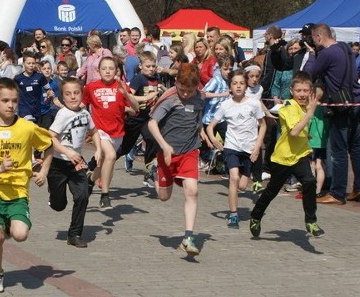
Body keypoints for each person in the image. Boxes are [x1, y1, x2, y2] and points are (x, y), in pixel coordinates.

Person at [0, 78, 52, 293]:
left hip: (18, 190)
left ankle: (8, 223)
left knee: (20, 235)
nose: (10, 105)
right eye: (5, 100)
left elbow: (49, 145)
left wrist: (43, 171)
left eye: (14, 100)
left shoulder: (27, 127)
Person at [249, 71, 324, 239]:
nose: (302, 94)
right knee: (272, 191)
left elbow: (319, 91)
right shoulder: (287, 107)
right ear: (291, 91)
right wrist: (310, 113)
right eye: (299, 91)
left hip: (300, 155)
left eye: (306, 90)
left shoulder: (307, 105)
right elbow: (294, 132)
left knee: (309, 181)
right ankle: (256, 215)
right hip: (283, 157)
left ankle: (311, 221)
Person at [147, 63, 206, 255]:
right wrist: (164, 146)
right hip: (167, 153)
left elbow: (198, 117)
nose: (186, 94)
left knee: (192, 190)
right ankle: (155, 171)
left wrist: (202, 132)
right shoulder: (170, 99)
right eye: (182, 89)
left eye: (190, 90)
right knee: (164, 197)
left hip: (190, 150)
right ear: (176, 83)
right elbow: (152, 123)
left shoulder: (200, 98)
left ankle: (188, 237)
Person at [305, 23, 360, 205]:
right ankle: (359, 187)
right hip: (356, 100)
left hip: (340, 105)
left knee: (338, 150)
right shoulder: (345, 48)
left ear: (318, 37)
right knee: (356, 146)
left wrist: (310, 55)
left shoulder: (326, 53)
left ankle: (337, 193)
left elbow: (310, 74)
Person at [205, 69, 266, 229]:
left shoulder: (254, 103)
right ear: (230, 87)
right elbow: (211, 126)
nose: (238, 86)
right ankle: (233, 215)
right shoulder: (225, 105)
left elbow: (263, 125)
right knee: (234, 178)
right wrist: (214, 140)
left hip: (249, 148)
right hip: (231, 146)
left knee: (243, 186)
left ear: (246, 85)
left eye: (241, 83)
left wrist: (258, 147)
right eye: (235, 83)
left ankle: (242, 176)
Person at [43, 77, 95, 248]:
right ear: (62, 97)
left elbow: (94, 131)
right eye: (68, 94)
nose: (73, 97)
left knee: (82, 196)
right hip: (58, 164)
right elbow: (50, 137)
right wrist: (66, 151)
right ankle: (53, 194)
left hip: (76, 163)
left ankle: (74, 234)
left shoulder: (85, 113)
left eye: (76, 93)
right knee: (59, 206)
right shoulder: (63, 114)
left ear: (82, 94)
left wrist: (100, 150)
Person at [83, 56, 139, 210]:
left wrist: (126, 94)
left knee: (103, 164)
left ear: (116, 71)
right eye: (104, 68)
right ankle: (105, 195)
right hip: (99, 131)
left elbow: (136, 109)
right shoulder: (91, 87)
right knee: (111, 156)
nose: (107, 71)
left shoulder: (121, 86)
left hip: (117, 133)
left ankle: (90, 181)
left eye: (111, 68)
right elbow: (82, 105)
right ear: (98, 71)